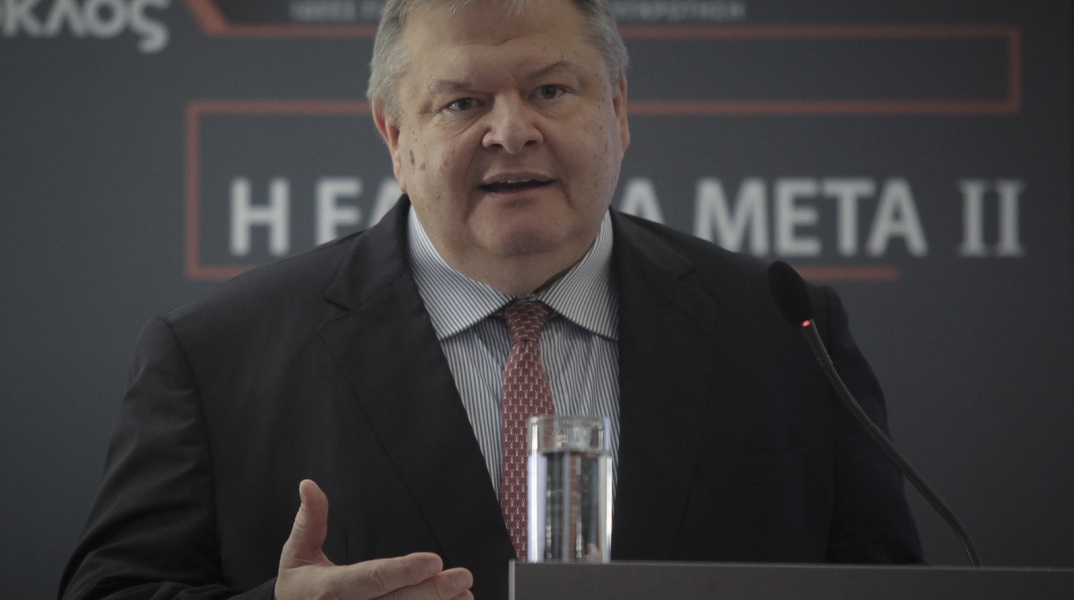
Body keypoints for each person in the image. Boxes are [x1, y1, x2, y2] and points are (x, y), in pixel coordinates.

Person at [59, 0, 922, 598]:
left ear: (617, 109)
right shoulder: (215, 355)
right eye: (463, 102)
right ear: (394, 135)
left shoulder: (783, 328)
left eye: (550, 90)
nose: (511, 131)